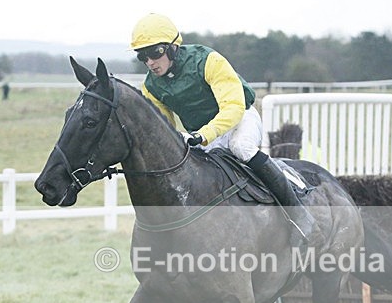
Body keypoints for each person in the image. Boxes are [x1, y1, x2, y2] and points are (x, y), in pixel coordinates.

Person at [130, 13, 314, 244]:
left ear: (173, 48)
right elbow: (165, 128)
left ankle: (298, 214)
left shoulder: (208, 60)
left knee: (241, 148)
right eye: (142, 56)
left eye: (155, 53)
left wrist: (203, 136)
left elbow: (233, 108)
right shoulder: (150, 86)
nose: (150, 62)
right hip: (202, 136)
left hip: (240, 119)